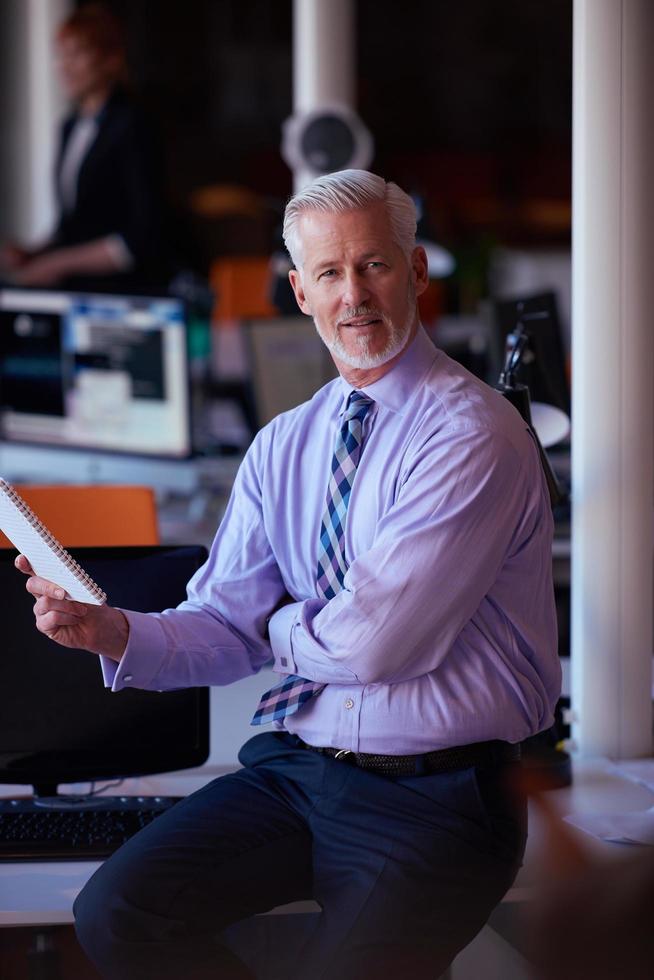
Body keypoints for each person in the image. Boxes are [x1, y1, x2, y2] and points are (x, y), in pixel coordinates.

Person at [16, 169, 561, 980]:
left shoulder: (473, 431)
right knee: (119, 912)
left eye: (374, 265)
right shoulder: (283, 445)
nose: (355, 295)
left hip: (437, 798)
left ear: (414, 273)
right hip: (300, 770)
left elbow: (375, 645)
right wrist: (115, 630)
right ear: (301, 293)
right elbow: (223, 622)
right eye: (330, 273)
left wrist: (276, 625)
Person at [0, 3, 171, 293]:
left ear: (111, 60)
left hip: (125, 291)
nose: (64, 66)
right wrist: (33, 254)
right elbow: (75, 227)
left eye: (77, 54)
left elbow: (143, 236)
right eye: (61, 55)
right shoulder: (69, 127)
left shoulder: (134, 125)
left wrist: (57, 264)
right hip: (79, 288)